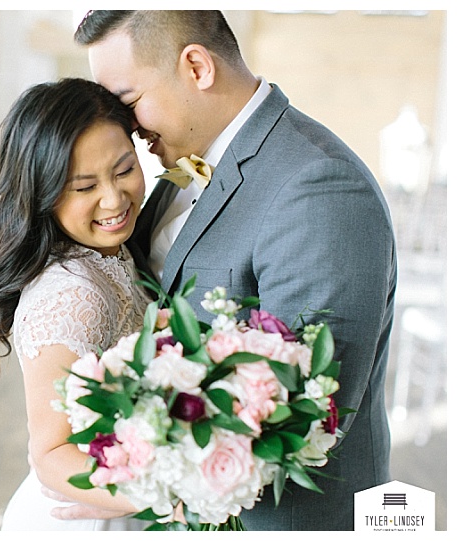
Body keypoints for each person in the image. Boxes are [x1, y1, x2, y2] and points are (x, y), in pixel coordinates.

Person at [47, 10, 397, 531]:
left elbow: (310, 409)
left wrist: (138, 491)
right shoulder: (180, 164)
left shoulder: (318, 185)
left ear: (196, 67)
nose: (127, 127)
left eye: (128, 102)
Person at [0, 77, 153, 530]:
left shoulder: (109, 252)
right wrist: (172, 492)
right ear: (43, 195)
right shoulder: (73, 294)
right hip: (92, 517)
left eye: (124, 169)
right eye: (84, 187)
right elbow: (51, 453)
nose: (114, 198)